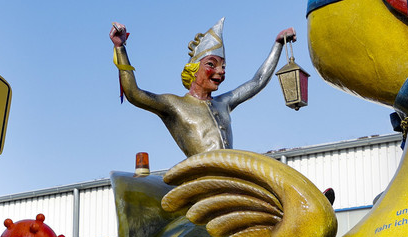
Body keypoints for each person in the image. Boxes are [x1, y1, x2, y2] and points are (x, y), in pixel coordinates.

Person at [110, 18, 296, 157]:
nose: (220, 71)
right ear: (194, 69)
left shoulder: (224, 102)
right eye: (211, 65)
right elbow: (134, 93)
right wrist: (120, 48)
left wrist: (278, 45)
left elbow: (258, 81)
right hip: (201, 182)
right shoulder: (174, 105)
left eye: (223, 67)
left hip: (231, 177)